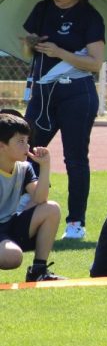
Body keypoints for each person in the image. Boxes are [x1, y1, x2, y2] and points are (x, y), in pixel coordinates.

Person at [23, 0, 105, 241]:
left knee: (75, 158)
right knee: (26, 151)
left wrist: (59, 52)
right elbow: (27, 52)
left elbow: (95, 63)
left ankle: (76, 223)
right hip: (42, 93)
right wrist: (30, 44)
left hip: (77, 94)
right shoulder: (42, 9)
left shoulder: (90, 16)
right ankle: (28, 209)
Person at [0, 113, 62, 282]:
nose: (27, 146)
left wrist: (45, 166)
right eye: (20, 141)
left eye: (27, 140)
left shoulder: (24, 167)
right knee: (12, 257)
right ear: (2, 145)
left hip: (10, 224)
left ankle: (38, 271)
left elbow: (40, 199)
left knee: (52, 209)